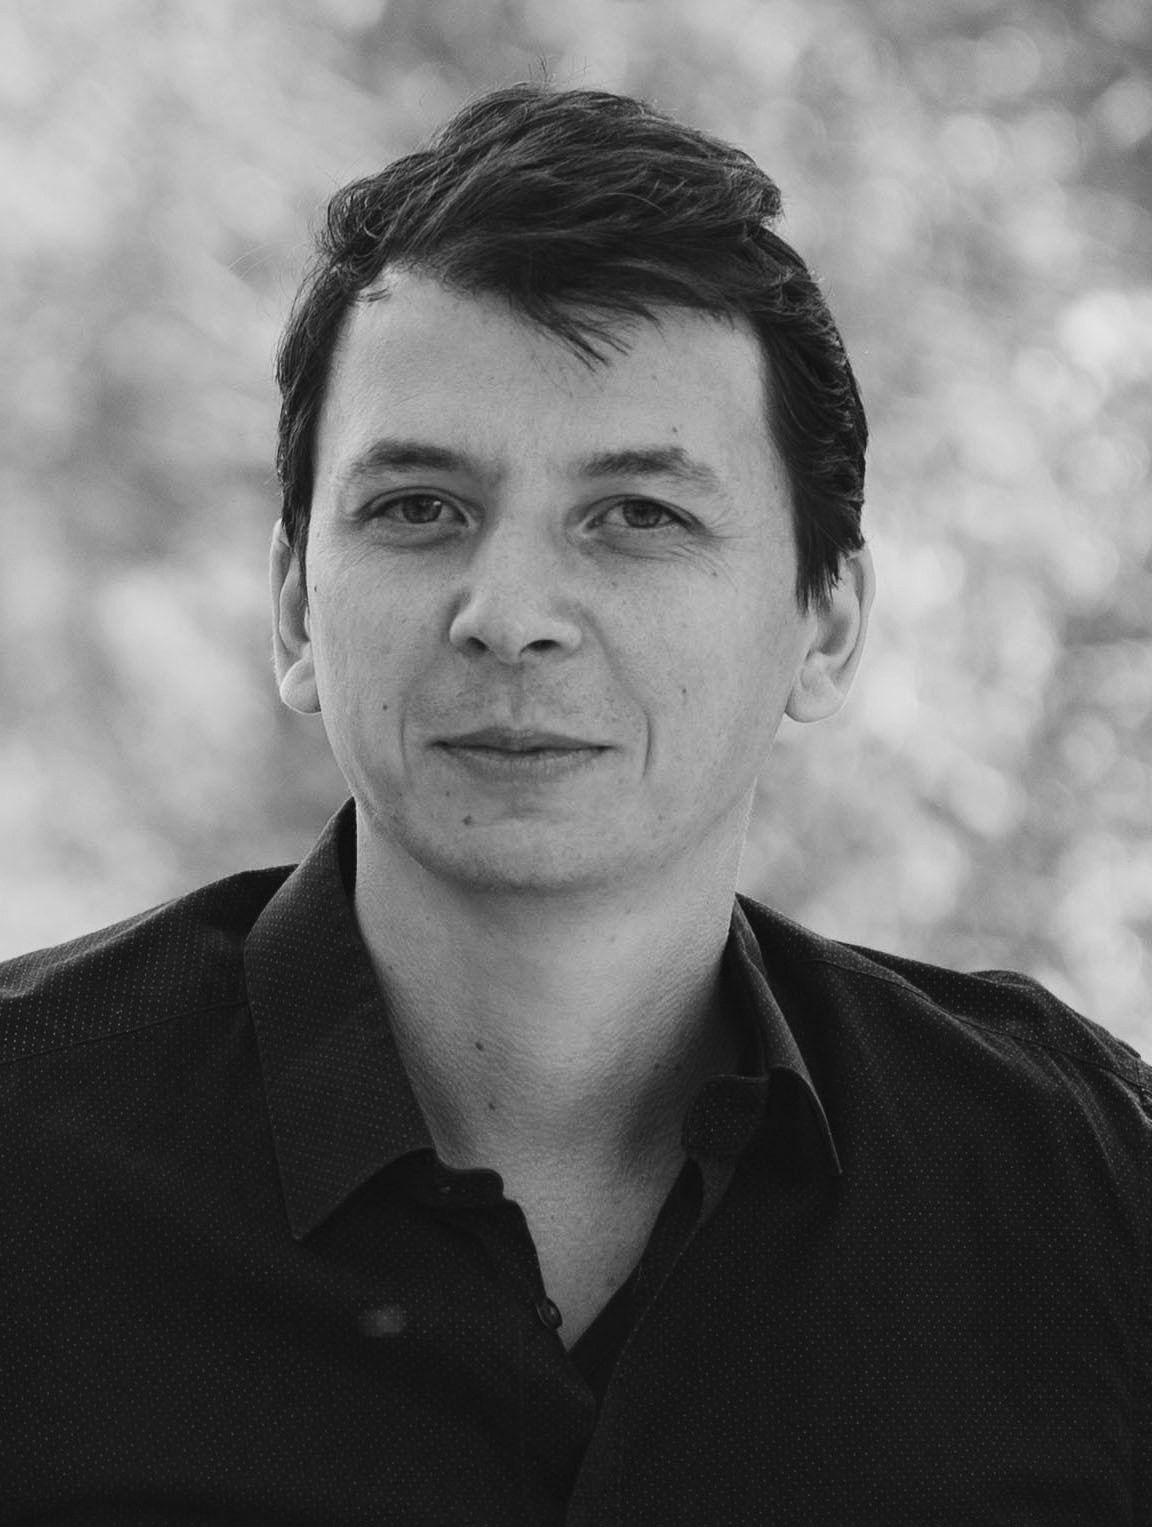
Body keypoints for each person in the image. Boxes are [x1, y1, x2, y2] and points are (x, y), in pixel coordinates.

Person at [2, 82, 1148, 1526]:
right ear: (295, 606)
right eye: (419, 507)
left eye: (640, 516)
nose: (510, 613)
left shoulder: (1083, 1189)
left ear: (827, 624)